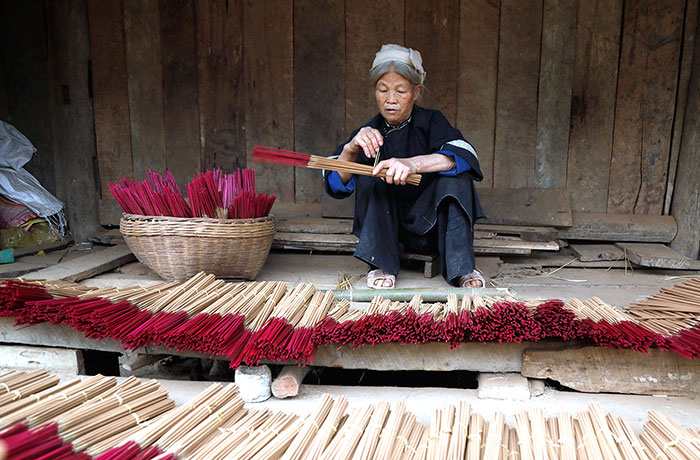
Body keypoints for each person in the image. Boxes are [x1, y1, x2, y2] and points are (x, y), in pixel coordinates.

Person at [324, 44, 486, 289]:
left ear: (416, 91)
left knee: (457, 178)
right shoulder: (367, 133)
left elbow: (466, 156)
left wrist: (413, 164)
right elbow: (335, 184)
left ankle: (462, 268)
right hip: (386, 233)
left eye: (400, 91)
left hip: (432, 228)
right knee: (371, 176)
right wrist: (351, 148)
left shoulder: (433, 122)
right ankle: (381, 264)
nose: (391, 100)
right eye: (383, 90)